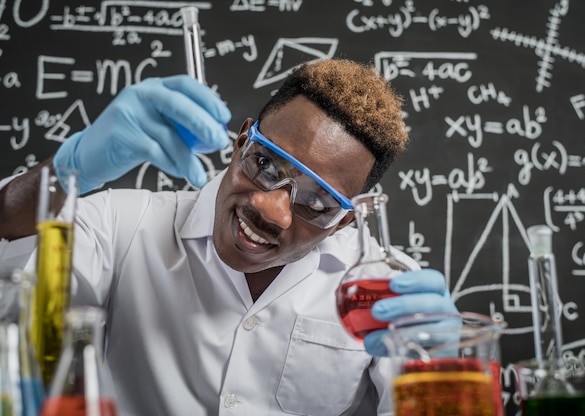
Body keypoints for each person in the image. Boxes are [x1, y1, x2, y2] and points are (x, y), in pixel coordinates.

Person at [0, 59, 457, 415]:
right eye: (267, 165)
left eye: (317, 203)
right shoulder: (122, 224)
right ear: (242, 140)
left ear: (343, 220)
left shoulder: (384, 294)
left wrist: (444, 375)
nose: (271, 210)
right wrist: (67, 170)